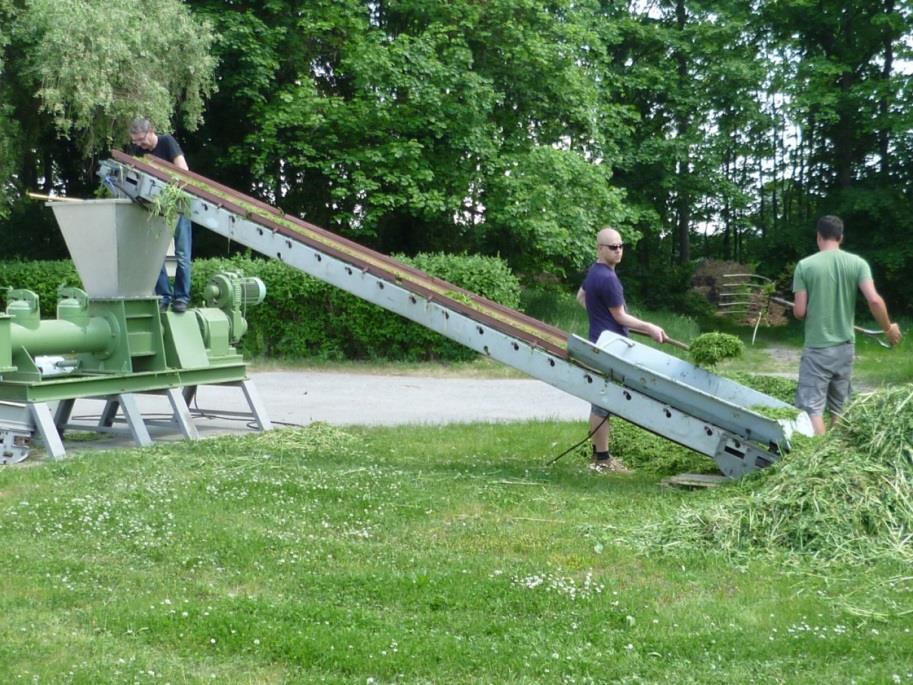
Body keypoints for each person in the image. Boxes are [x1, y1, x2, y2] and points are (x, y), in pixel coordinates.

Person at [792, 214, 902, 435]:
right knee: (840, 405)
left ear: (818, 236)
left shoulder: (805, 266)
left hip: (818, 348)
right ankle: (839, 456)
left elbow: (800, 312)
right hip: (845, 347)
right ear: (840, 237)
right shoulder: (858, 263)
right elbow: (874, 300)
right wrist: (888, 328)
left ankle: (818, 460)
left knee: (811, 407)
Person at [576, 227, 668, 472]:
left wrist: (598, 316)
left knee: (601, 399)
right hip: (611, 347)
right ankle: (603, 460)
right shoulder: (608, 279)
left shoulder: (594, 272)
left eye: (620, 246)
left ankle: (600, 456)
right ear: (600, 248)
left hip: (600, 341)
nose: (618, 251)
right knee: (602, 401)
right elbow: (620, 316)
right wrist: (649, 327)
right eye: (612, 247)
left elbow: (581, 297)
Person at [127, 117, 192, 313]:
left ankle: (181, 297)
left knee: (182, 254)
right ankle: (164, 296)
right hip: (156, 207)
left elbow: (184, 171)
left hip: (177, 203)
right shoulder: (140, 152)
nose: (139, 144)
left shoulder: (167, 142)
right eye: (135, 141)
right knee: (156, 254)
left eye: (141, 139)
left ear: (151, 131)